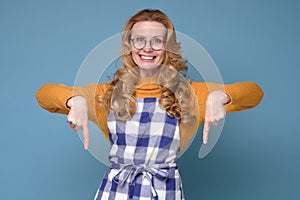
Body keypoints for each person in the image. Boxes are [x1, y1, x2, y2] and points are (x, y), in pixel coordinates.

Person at [36, 9, 263, 200]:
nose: (147, 48)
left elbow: (255, 92)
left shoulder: (190, 94)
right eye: (140, 40)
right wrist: (74, 100)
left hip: (164, 191)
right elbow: (43, 94)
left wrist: (219, 97)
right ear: (130, 45)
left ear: (168, 47)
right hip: (116, 192)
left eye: (157, 41)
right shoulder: (106, 95)